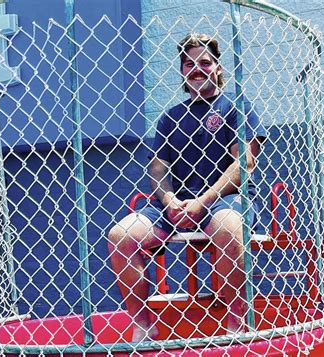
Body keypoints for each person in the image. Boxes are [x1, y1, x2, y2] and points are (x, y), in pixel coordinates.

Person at [108, 33, 265, 341]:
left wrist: (203, 201)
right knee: (120, 237)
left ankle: (237, 323)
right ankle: (143, 325)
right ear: (181, 71)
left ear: (218, 68)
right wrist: (168, 200)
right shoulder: (170, 118)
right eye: (189, 64)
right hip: (173, 206)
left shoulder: (236, 106)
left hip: (224, 200)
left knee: (230, 226)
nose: (197, 69)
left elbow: (244, 163)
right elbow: (158, 168)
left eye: (204, 62)